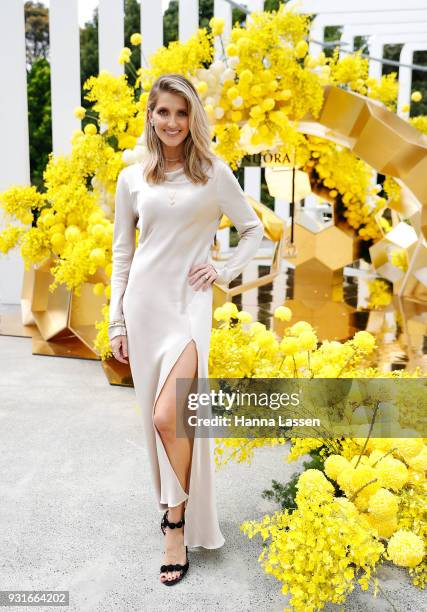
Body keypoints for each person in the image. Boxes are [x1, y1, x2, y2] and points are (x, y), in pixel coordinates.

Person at [108, 73, 264, 586]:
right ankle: (176, 505)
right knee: (164, 419)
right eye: (163, 112)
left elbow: (253, 230)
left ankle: (175, 525)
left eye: (181, 112)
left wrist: (222, 270)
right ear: (151, 116)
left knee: (170, 414)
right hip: (144, 306)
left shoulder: (215, 174)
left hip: (190, 306)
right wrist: (116, 321)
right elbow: (122, 254)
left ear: (192, 117)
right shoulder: (133, 177)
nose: (172, 122)